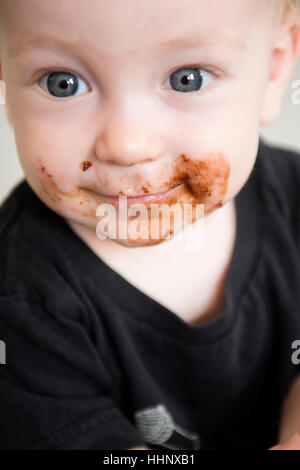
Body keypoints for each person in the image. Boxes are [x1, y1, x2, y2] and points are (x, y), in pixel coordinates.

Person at [0, 0, 300, 450]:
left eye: (188, 79)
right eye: (63, 84)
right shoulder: (22, 301)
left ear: (275, 67)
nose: (126, 144)